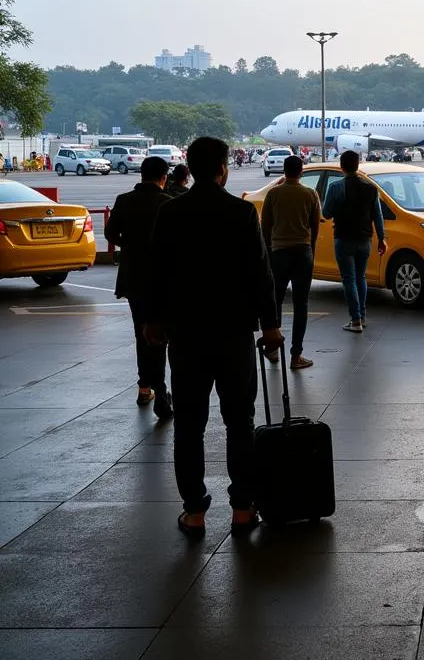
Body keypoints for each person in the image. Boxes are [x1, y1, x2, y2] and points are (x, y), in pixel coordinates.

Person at [143, 136, 282, 538]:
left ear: (190, 166)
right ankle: (242, 508)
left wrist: (152, 318)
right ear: (223, 169)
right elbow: (261, 273)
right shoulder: (241, 213)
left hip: (186, 335)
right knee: (241, 422)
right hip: (234, 333)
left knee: (189, 425)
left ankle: (195, 512)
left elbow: (156, 270)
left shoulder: (171, 212)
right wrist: (270, 324)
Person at [104, 155, 174, 419]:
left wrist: (131, 246)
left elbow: (111, 235)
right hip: (162, 279)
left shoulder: (124, 201)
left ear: (141, 175)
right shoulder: (168, 203)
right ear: (163, 177)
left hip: (133, 278)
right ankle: (160, 388)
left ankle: (145, 387)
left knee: (141, 332)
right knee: (161, 335)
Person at [260, 154, 321, 369]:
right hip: (302, 252)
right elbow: (315, 226)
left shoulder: (274, 194)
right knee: (301, 304)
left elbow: (265, 226)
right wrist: (310, 249)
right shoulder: (310, 194)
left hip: (278, 253)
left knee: (275, 300)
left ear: (284, 172)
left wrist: (268, 250)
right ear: (301, 171)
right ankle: (296, 356)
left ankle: (273, 348)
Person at [322, 149, 387, 333]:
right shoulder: (371, 188)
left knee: (348, 279)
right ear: (358, 165)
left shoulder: (336, 187)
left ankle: (355, 320)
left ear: (342, 167)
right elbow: (378, 216)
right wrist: (382, 239)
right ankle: (363, 316)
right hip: (365, 239)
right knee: (361, 278)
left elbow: (326, 213)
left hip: (343, 238)